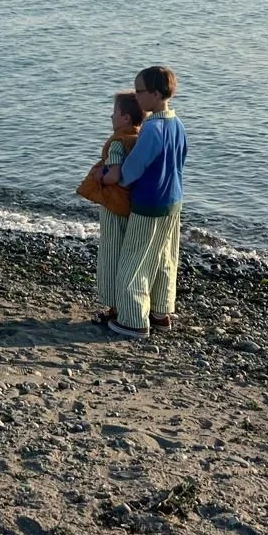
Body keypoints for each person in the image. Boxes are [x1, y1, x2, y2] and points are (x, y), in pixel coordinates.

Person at [101, 65, 187, 339]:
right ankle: (161, 313)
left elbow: (133, 170)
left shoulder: (152, 128)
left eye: (139, 91)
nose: (136, 96)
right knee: (164, 259)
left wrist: (114, 180)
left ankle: (133, 320)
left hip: (149, 202)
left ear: (154, 93)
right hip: (173, 201)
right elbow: (181, 160)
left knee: (134, 262)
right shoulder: (177, 123)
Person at [91, 91, 145, 324]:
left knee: (111, 254)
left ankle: (113, 308)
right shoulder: (138, 138)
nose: (111, 116)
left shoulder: (117, 143)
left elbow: (114, 174)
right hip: (133, 205)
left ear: (124, 118)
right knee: (128, 254)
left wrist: (99, 177)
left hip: (113, 206)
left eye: (114, 113)